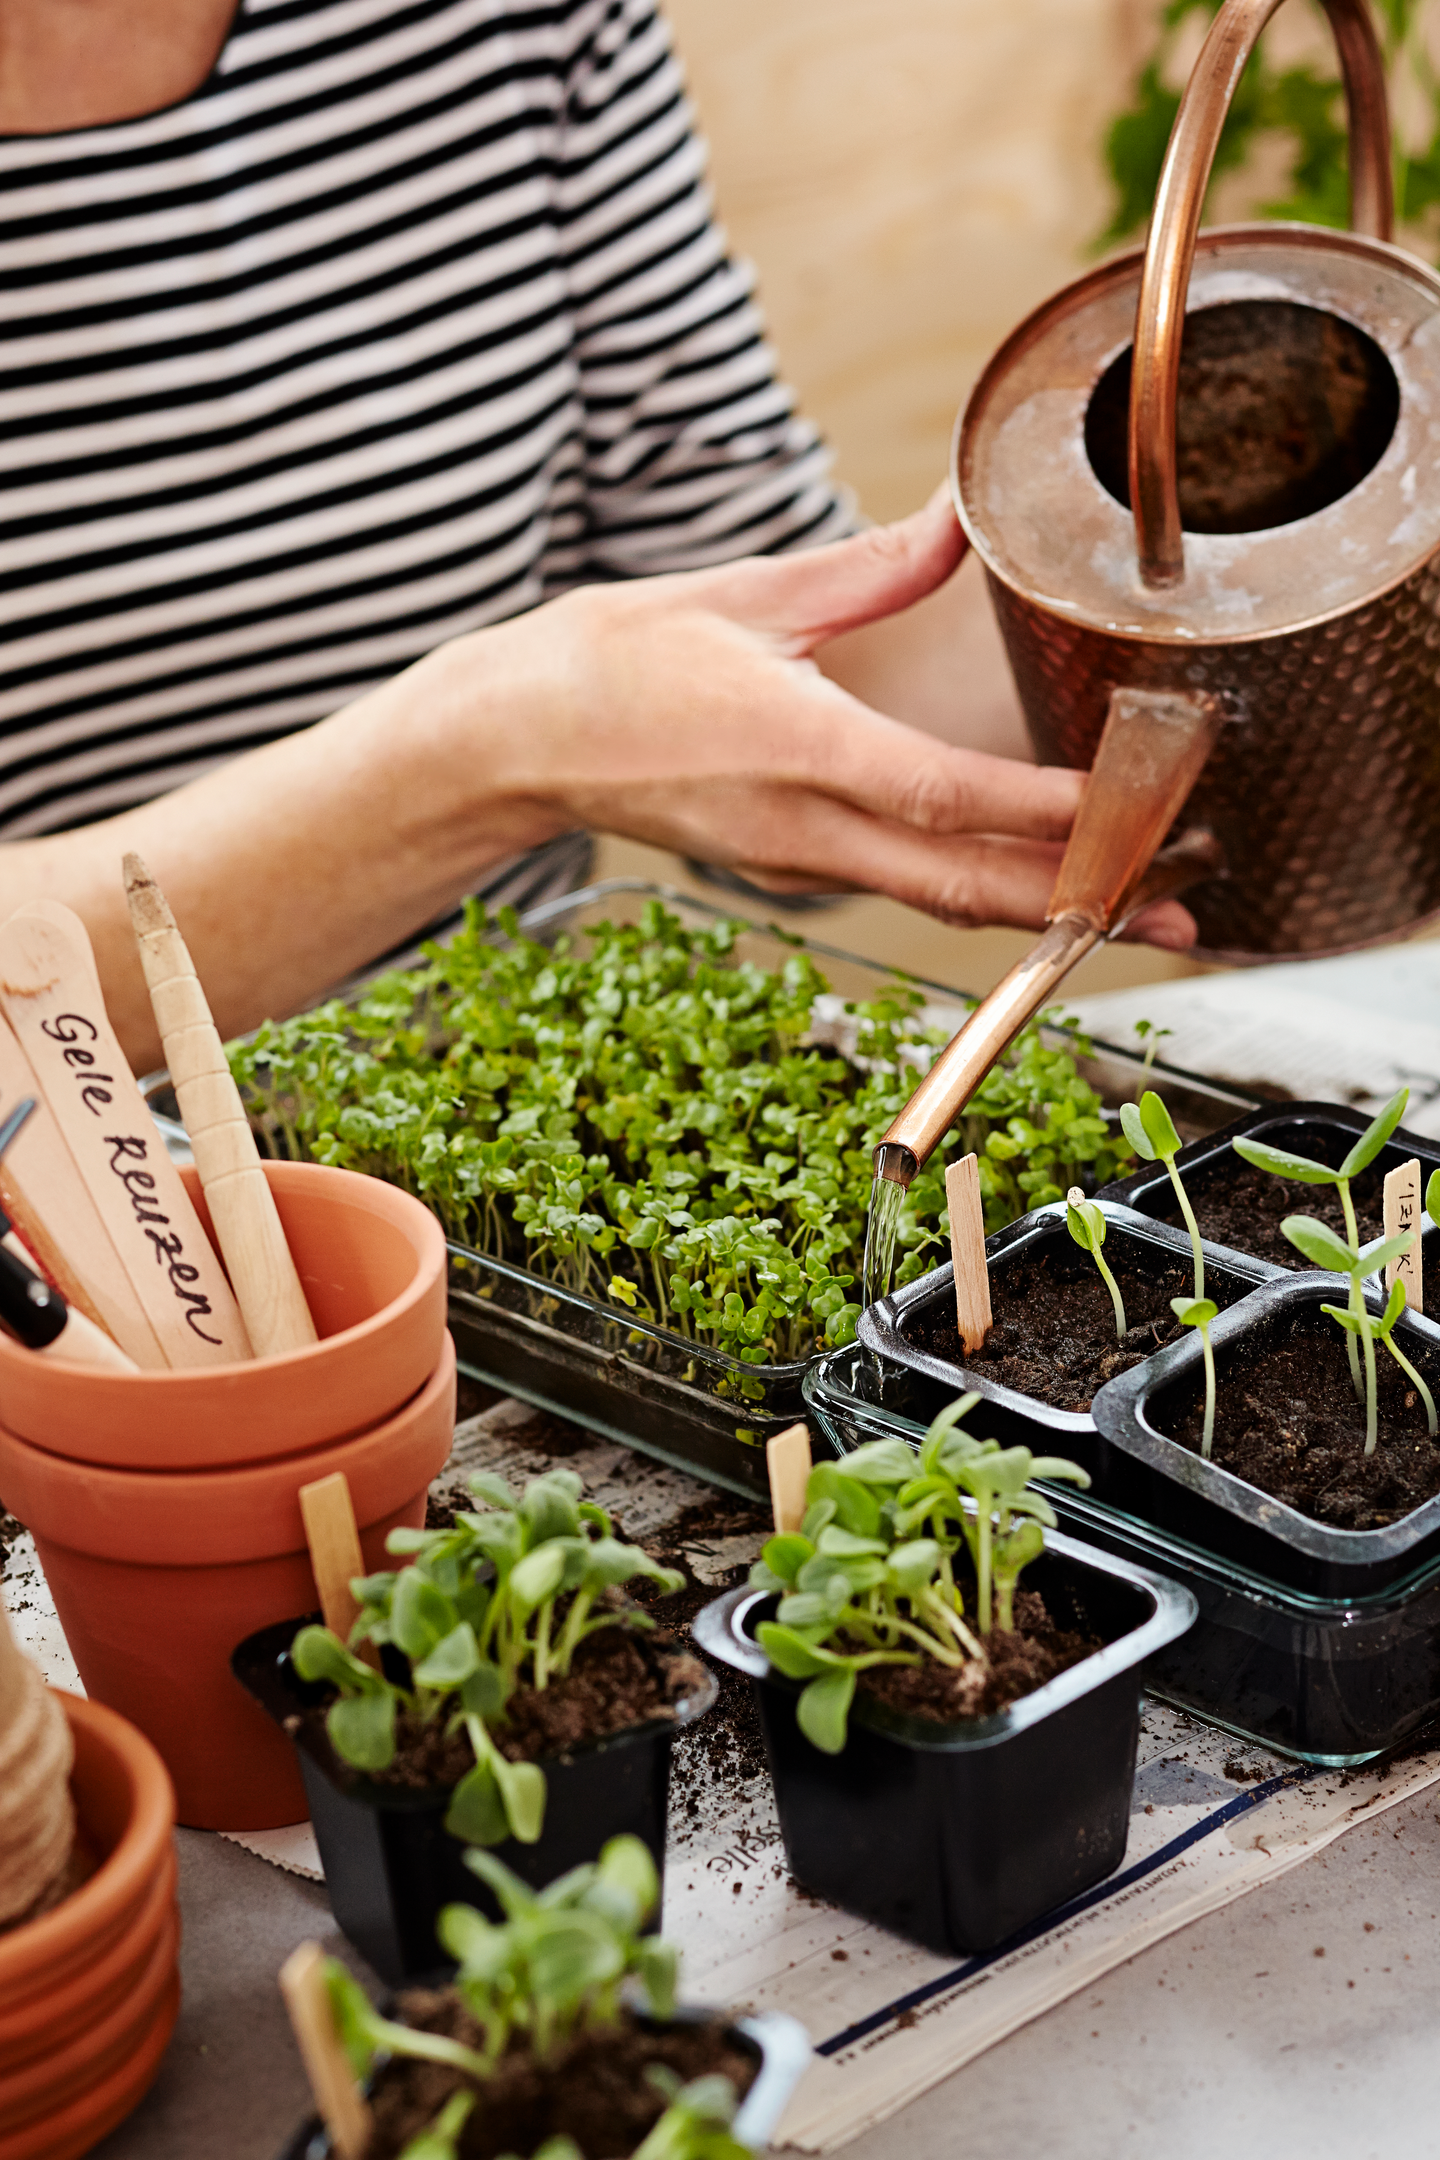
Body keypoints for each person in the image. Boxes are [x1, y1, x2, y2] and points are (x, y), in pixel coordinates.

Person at [0, 0, 1193, 1071]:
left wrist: (1131, 549)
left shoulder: (499, 25)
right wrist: (483, 753)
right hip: (70, 1233)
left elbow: (806, 661)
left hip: (500, 1151)